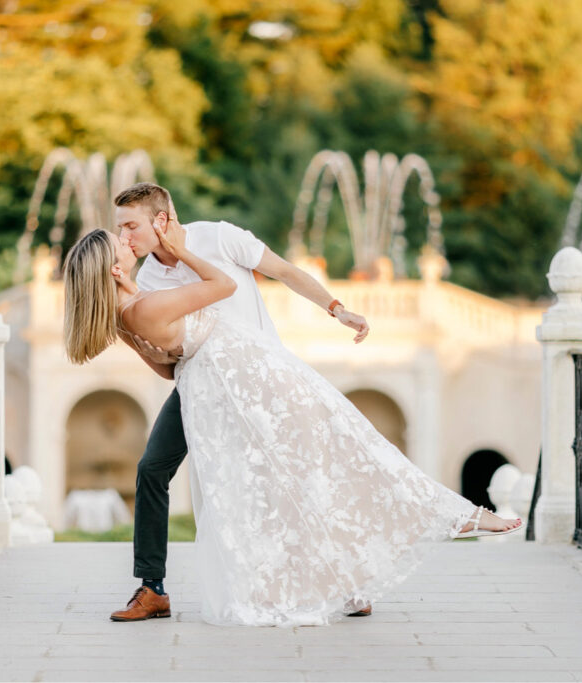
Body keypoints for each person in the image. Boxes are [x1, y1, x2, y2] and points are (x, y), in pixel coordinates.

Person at [61, 199, 523, 628]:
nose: (125, 237)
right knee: (172, 471)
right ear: (114, 268)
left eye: (128, 227)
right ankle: (152, 587)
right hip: (211, 383)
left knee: (313, 466)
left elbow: (280, 271)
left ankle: (378, 561)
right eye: (119, 235)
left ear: (160, 219)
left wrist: (336, 308)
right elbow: (184, 344)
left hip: (251, 373)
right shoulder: (144, 293)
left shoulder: (210, 243)